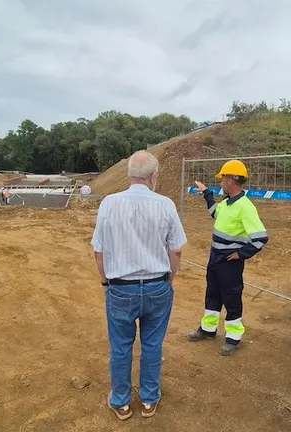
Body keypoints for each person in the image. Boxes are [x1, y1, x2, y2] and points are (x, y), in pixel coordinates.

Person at [90, 150, 187, 421]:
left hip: (120, 287)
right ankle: (148, 400)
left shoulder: (109, 203)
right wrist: (169, 279)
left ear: (129, 174)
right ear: (153, 176)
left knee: (120, 347)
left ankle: (121, 402)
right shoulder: (165, 204)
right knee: (152, 345)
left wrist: (105, 281)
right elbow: (176, 250)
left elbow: (98, 251)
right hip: (157, 286)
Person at [187, 159, 269, 356]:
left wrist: (241, 254)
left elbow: (260, 238)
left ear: (231, 180)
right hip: (215, 257)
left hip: (230, 262)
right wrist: (207, 194)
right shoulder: (226, 203)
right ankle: (208, 329)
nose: (221, 182)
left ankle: (233, 337)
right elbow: (215, 213)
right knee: (212, 293)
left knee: (231, 297)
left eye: (223, 178)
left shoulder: (245, 207)